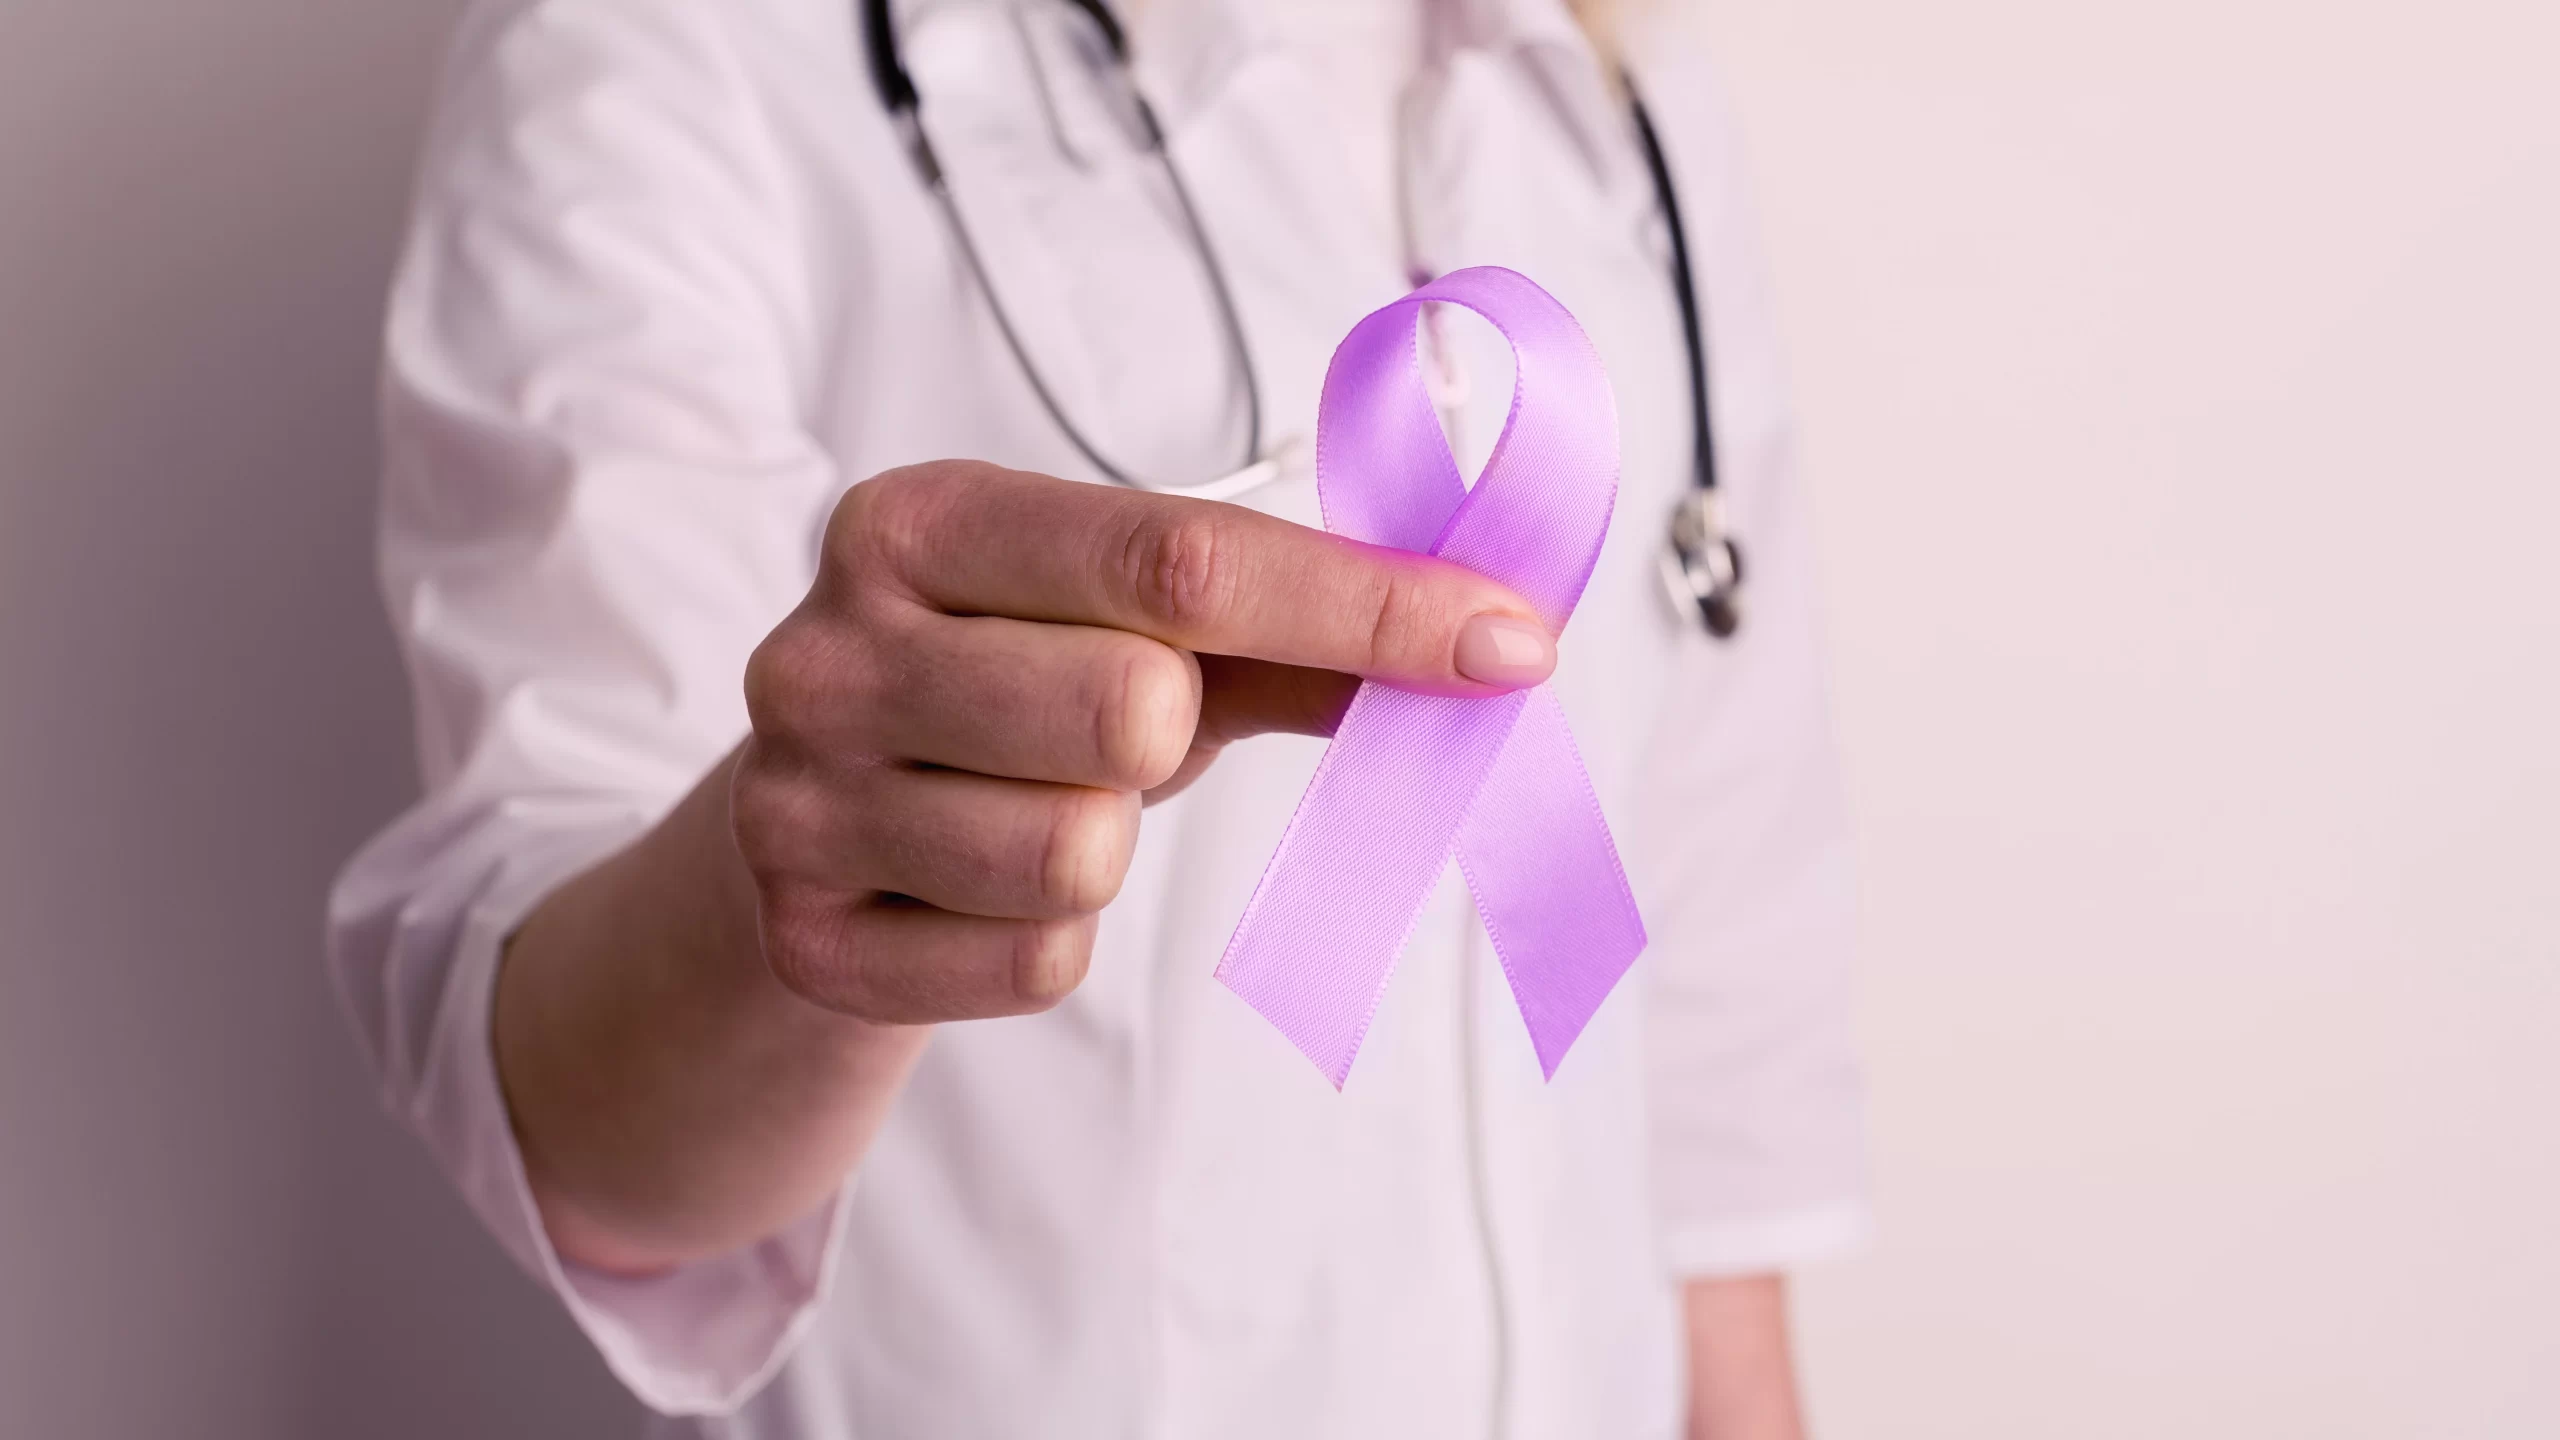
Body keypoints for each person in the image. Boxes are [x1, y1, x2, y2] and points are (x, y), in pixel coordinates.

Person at [328, 0, 1868, 1434]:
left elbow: (1704, 1052)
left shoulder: (1623, 95)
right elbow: (577, 1133)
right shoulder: (679, 44)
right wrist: (796, 898)